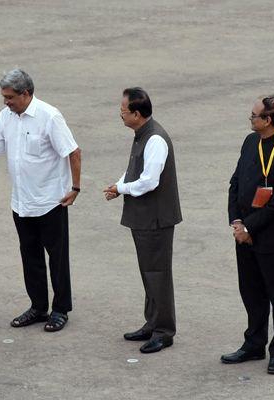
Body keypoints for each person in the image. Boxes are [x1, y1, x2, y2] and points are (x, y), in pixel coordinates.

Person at [0, 69, 81, 332]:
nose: (6, 102)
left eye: (10, 97)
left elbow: (73, 151)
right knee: (30, 257)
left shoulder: (49, 116)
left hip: (51, 202)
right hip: (22, 203)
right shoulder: (6, 117)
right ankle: (38, 307)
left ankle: (60, 309)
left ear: (26, 94)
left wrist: (75, 187)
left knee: (57, 258)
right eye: (4, 97)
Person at [223, 95, 274, 374]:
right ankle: (254, 343)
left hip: (269, 236)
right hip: (243, 231)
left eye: (254, 116)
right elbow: (235, 183)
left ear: (269, 120)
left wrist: (250, 228)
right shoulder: (249, 142)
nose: (251, 119)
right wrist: (236, 221)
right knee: (251, 291)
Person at [104, 87, 182, 354]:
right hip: (144, 218)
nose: (121, 115)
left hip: (156, 219)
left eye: (123, 112)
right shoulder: (141, 135)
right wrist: (118, 185)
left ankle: (164, 331)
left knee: (158, 274)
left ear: (137, 114)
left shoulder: (155, 139)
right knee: (148, 273)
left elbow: (150, 180)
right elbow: (134, 170)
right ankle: (152, 323)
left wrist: (122, 189)